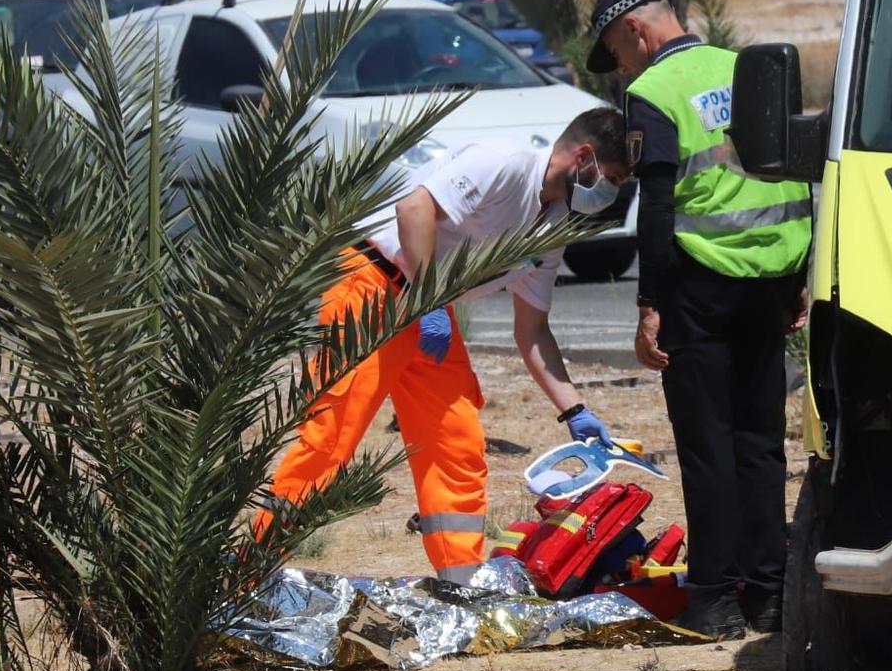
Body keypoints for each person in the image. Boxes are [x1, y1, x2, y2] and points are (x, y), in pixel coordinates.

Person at [262, 110, 633, 582]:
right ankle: (252, 572)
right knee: (330, 437)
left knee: (455, 444)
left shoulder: (552, 225)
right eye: (613, 177)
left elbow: (533, 330)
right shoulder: (505, 162)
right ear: (584, 157)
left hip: (428, 309)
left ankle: (460, 580)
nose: (611, 191)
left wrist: (574, 410)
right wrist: (428, 299)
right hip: (375, 288)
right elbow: (413, 208)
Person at [585, 0, 812, 640]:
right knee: (762, 443)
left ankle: (713, 597)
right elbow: (794, 170)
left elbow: (656, 205)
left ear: (636, 32)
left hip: (700, 284)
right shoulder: (745, 68)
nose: (622, 69)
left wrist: (650, 303)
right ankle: (768, 595)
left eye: (616, 54)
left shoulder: (656, 93)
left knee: (709, 444)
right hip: (769, 277)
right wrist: (795, 275)